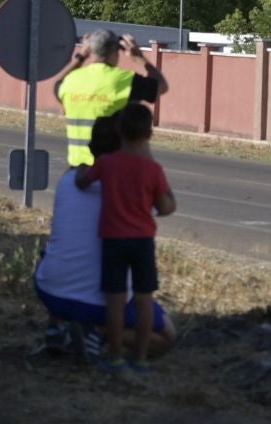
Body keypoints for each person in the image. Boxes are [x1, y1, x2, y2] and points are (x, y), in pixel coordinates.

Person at [34, 116, 176, 361]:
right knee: (167, 337)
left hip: (51, 291)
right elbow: (166, 206)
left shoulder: (68, 180)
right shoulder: (137, 186)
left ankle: (58, 326)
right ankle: (98, 331)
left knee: (56, 250)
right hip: (105, 298)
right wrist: (147, 157)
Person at [75, 104, 176, 373]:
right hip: (142, 241)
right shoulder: (152, 169)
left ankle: (116, 357)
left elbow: (83, 182)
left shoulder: (107, 164)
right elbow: (166, 207)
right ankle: (141, 359)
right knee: (144, 300)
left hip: (113, 240)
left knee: (116, 301)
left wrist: (81, 170)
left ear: (119, 131)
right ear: (150, 135)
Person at [55, 30, 169, 168]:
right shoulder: (124, 80)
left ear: (91, 50)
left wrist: (81, 56)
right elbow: (161, 86)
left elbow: (57, 85)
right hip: (110, 173)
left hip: (76, 172)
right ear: (116, 52)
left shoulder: (71, 81)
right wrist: (139, 57)